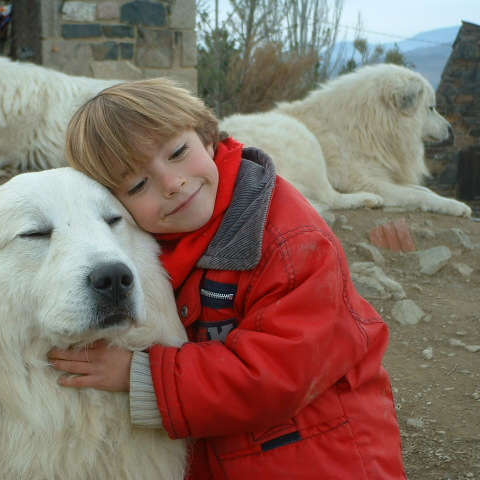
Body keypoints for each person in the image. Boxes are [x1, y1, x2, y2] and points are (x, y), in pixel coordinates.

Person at [48, 78, 407, 479]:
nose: (173, 184)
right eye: (138, 184)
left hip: (319, 454)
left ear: (206, 135)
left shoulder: (291, 244)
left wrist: (139, 375)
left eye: (178, 153)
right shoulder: (152, 237)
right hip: (230, 450)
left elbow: (277, 377)